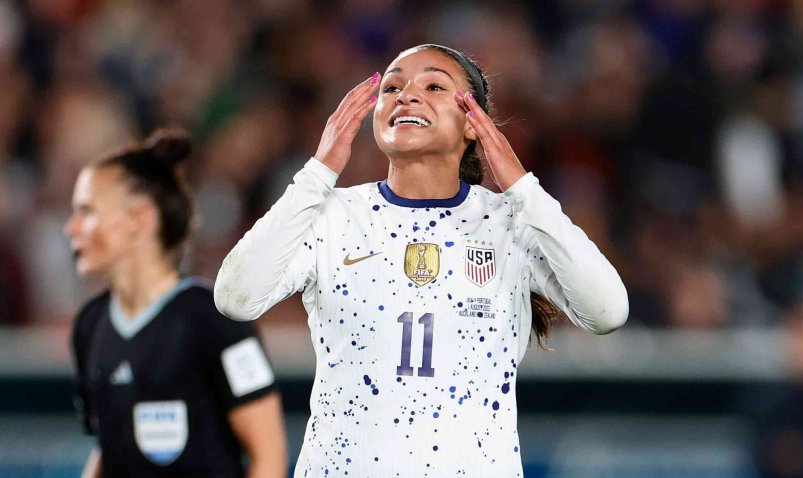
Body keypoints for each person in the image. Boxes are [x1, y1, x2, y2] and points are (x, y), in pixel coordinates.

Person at [215, 44, 628, 477]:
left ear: (474, 124)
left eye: (434, 85)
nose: (406, 96)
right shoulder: (332, 214)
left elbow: (608, 311)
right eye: (392, 86)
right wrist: (317, 172)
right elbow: (236, 298)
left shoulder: (511, 223)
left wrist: (524, 190)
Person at [66, 129, 287, 478]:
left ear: (140, 219)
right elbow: (108, 447)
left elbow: (269, 457)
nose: (72, 228)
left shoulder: (214, 318)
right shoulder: (90, 325)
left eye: (87, 212)